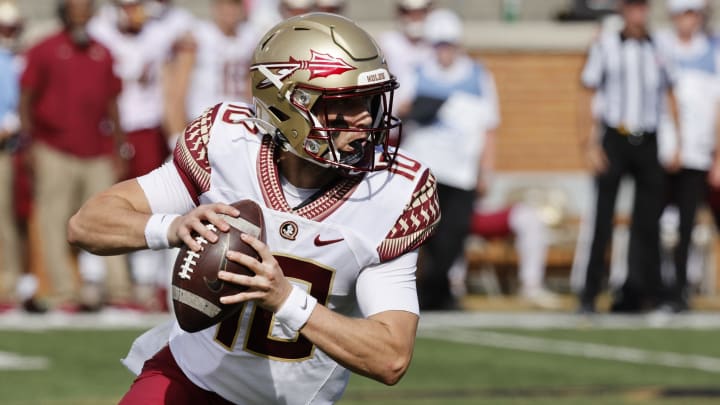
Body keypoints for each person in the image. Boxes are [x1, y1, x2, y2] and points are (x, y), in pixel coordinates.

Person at [68, 12, 439, 404]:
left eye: (369, 101)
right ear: (289, 104)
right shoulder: (227, 144)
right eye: (344, 105)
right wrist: (174, 227)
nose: (366, 120)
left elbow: (391, 356)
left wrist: (285, 299)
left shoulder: (392, 192)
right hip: (192, 379)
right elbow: (85, 224)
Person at [19, 0, 131, 311]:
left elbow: (112, 102)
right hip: (53, 146)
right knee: (52, 220)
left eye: (85, 8)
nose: (80, 14)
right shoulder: (44, 49)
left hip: (96, 147)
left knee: (111, 217)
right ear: (65, 12)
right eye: (75, 8)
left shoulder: (102, 52)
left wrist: (120, 145)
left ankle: (119, 290)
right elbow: (27, 98)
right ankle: (62, 290)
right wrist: (28, 143)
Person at [574, 0, 679, 314]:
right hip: (615, 137)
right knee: (602, 219)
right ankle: (590, 293)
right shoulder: (606, 45)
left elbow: (670, 93)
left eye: (642, 7)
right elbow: (586, 92)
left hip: (648, 138)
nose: (638, 14)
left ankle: (646, 292)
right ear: (623, 11)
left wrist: (677, 141)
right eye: (633, 7)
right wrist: (588, 145)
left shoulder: (660, 45)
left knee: (649, 222)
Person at [88, 0, 194, 311]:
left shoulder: (160, 31)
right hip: (109, 127)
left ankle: (146, 282)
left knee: (148, 204)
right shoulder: (101, 32)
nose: (134, 13)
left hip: (148, 127)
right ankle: (99, 279)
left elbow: (185, 40)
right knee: (106, 200)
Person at [400, 8, 496, 310]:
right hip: (425, 171)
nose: (444, 51)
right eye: (439, 44)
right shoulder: (417, 73)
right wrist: (421, 107)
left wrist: (486, 171)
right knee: (424, 234)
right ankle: (428, 292)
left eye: (448, 44)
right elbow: (397, 110)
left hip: (462, 171)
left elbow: (489, 128)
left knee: (455, 234)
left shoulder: (478, 76)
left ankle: (439, 290)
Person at [656, 0, 720, 312]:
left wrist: (718, 156)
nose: (689, 19)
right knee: (650, 223)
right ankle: (650, 286)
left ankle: (680, 289)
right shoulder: (658, 45)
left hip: (697, 153)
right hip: (660, 152)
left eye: (694, 13)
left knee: (686, 224)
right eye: (684, 12)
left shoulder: (713, 48)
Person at [469, 203, 562, 309]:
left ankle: (531, 286)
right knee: (527, 216)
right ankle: (531, 287)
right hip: (469, 215)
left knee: (528, 216)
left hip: (479, 212)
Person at [182, 0, 259, 122]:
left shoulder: (250, 35)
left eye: (234, 5)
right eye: (224, 5)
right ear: (215, 6)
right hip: (204, 115)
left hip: (239, 116)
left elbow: (251, 81)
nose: (229, 10)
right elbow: (179, 83)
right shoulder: (199, 34)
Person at [377, 0, 433, 119]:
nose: (415, 17)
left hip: (422, 123)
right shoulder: (387, 43)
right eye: (409, 12)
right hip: (389, 121)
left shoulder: (433, 47)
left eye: (421, 12)